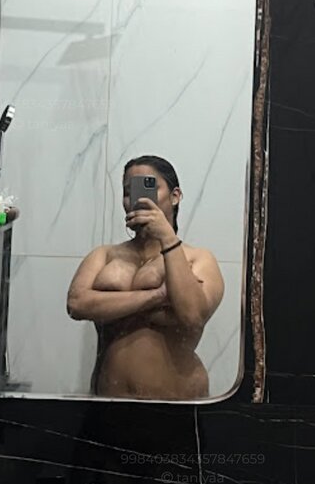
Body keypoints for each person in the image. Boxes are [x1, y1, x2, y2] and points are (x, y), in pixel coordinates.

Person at [67, 156, 224, 400]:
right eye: (127, 192)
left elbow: (193, 316)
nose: (137, 199)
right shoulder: (104, 255)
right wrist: (157, 296)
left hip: (176, 405)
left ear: (175, 196)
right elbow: (77, 304)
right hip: (108, 404)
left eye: (148, 188)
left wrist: (167, 238)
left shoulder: (198, 259)